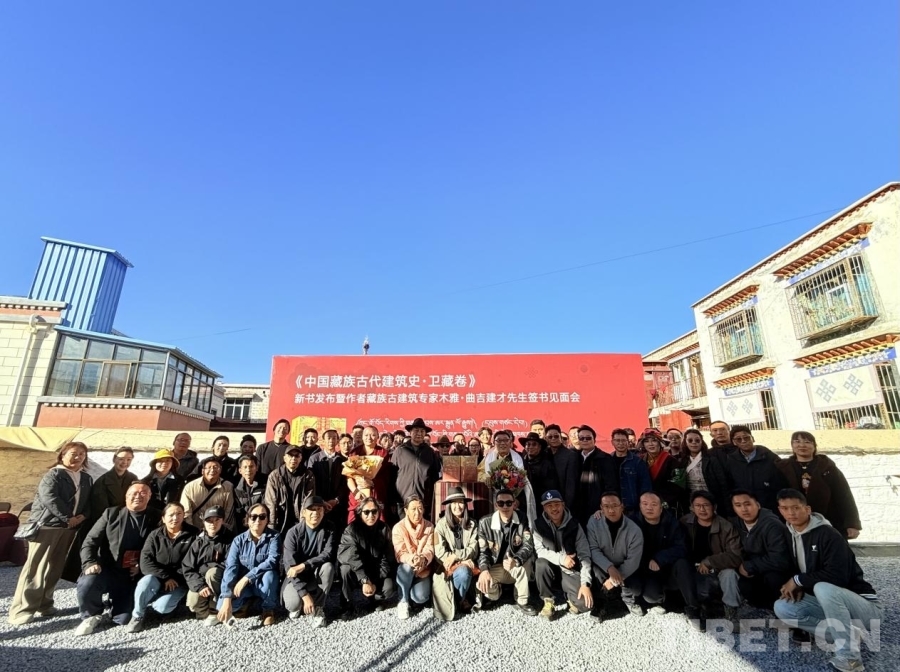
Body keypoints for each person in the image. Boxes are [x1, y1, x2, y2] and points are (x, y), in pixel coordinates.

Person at [773, 489, 883, 672]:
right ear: (779, 510)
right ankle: (851, 635)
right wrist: (798, 583)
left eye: (796, 507)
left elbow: (837, 577)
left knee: (823, 588)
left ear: (807, 509)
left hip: (865, 609)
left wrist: (798, 580)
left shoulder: (828, 534)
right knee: (783, 607)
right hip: (832, 606)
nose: (791, 513)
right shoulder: (788, 534)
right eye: (785, 508)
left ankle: (850, 659)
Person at [9, 441, 93, 625]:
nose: (78, 457)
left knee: (54, 567)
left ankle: (45, 604)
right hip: (48, 526)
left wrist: (82, 516)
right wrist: (68, 517)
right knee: (35, 568)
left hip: (68, 528)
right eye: (73, 453)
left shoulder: (86, 478)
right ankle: (22, 609)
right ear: (63, 455)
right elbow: (50, 498)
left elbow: (88, 501)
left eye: (82, 454)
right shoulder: (53, 475)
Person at [75, 483, 161, 635]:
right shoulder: (111, 514)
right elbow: (90, 541)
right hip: (109, 568)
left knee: (123, 619)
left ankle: (114, 605)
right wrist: (89, 563)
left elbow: (161, 548)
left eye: (143, 493)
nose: (138, 496)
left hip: (133, 574)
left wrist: (142, 566)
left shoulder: (157, 517)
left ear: (149, 496)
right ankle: (91, 615)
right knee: (88, 582)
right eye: (134, 493)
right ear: (126, 496)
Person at [625, 492, 699, 625]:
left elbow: (682, 548)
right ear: (640, 506)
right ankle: (657, 599)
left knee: (683, 564)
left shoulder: (672, 523)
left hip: (667, 569)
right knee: (651, 596)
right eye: (645, 504)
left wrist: (660, 558)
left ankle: (693, 608)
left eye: (654, 504)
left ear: (661, 507)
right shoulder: (631, 523)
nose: (649, 508)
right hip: (643, 570)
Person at [776, 431, 861, 539]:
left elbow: (844, 496)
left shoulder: (827, 468)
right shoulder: (783, 468)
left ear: (814, 446)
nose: (802, 445)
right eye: (797, 441)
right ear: (792, 445)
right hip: (794, 524)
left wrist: (852, 524)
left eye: (807, 442)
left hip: (828, 520)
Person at [126, 502, 196, 633]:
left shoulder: (193, 534)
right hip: (158, 578)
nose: (175, 518)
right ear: (163, 518)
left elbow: (193, 562)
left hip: (180, 581)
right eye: (171, 515)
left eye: (179, 514)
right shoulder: (155, 535)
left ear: (184, 516)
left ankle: (173, 605)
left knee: (162, 608)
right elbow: (145, 561)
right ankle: (137, 615)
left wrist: (175, 579)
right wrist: (165, 577)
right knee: (145, 581)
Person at [680, 491, 742, 628]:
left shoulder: (726, 526)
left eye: (706, 505)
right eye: (697, 506)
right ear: (692, 508)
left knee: (730, 575)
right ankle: (699, 608)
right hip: (694, 569)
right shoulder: (685, 522)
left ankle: (732, 612)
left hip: (718, 569)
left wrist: (710, 562)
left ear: (714, 507)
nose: (702, 509)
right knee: (699, 591)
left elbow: (736, 555)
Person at [217, 503, 280, 627]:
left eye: (262, 516)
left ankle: (268, 609)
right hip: (243, 585)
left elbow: (272, 561)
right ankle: (247, 603)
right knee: (221, 607)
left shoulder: (274, 537)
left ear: (267, 519)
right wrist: (227, 597)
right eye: (254, 517)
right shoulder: (238, 540)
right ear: (248, 519)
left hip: (261, 581)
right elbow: (231, 568)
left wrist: (247, 578)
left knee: (270, 575)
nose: (258, 520)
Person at [533, 489, 593, 619]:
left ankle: (568, 596)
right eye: (549, 505)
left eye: (557, 504)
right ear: (544, 508)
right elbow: (539, 551)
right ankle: (548, 600)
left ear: (563, 505)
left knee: (585, 605)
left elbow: (585, 555)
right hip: (550, 566)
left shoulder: (575, 525)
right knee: (540, 563)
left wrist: (585, 584)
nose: (554, 508)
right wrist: (561, 558)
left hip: (569, 569)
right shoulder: (538, 525)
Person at [474, 489, 536, 614]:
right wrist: (484, 570)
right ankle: (495, 594)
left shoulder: (522, 518)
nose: (505, 507)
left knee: (527, 561)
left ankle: (522, 601)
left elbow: (528, 545)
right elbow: (483, 551)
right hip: (494, 566)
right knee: (485, 582)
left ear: (514, 504)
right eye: (501, 503)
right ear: (496, 505)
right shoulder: (484, 522)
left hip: (513, 565)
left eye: (508, 503)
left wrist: (517, 560)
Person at [586, 492, 644, 622]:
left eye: (614, 505)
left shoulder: (634, 529)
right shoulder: (593, 522)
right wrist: (609, 567)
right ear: (601, 508)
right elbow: (593, 549)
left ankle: (628, 599)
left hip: (624, 565)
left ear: (622, 506)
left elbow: (633, 561)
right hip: (604, 564)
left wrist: (613, 580)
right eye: (606, 506)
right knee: (595, 570)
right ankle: (601, 602)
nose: (611, 510)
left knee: (636, 586)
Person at [729, 489, 792, 609]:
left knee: (773, 579)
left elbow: (779, 558)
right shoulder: (735, 523)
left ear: (757, 505)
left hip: (774, 568)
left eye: (747, 504)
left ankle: (781, 608)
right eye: (738, 505)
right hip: (754, 568)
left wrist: (749, 566)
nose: (744, 509)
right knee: (745, 586)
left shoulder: (772, 525)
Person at [337, 497, 397, 619]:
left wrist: (373, 582)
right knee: (345, 569)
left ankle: (375, 600)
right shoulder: (351, 530)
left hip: (375, 572)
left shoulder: (384, 529)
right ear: (360, 513)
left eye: (374, 511)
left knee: (389, 587)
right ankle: (346, 605)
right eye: (366, 512)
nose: (371, 515)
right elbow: (350, 556)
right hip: (357, 571)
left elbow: (387, 559)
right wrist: (364, 579)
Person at [282, 495, 337, 628]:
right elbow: (290, 567)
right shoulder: (293, 533)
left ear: (323, 511)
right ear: (304, 512)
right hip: (296, 577)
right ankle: (304, 601)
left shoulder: (329, 528)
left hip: (316, 573)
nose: (315, 513)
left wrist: (304, 565)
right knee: (292, 605)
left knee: (329, 567)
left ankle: (318, 607)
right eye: (311, 509)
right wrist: (305, 595)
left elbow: (327, 554)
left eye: (319, 509)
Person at [182, 505, 234, 626]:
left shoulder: (230, 540)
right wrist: (200, 586)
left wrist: (209, 569)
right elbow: (187, 567)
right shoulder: (198, 541)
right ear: (204, 522)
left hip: (220, 580)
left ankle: (215, 609)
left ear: (223, 521)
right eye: (209, 521)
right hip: (201, 580)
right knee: (193, 603)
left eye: (217, 520)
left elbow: (230, 564)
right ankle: (206, 612)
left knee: (212, 573)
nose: (213, 524)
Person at [432, 487, 479, 621]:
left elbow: (473, 549)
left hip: (467, 566)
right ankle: (461, 599)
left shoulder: (472, 524)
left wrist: (456, 555)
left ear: (465, 505)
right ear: (449, 505)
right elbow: (439, 553)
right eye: (454, 502)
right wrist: (460, 560)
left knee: (464, 572)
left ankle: (459, 598)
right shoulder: (440, 525)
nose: (458, 506)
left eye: (461, 502)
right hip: (447, 567)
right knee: (463, 571)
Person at [723, 425, 786, 513]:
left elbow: (781, 481)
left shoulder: (769, 456)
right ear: (734, 442)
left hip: (770, 506)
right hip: (745, 508)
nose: (743, 441)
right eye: (739, 439)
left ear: (752, 438)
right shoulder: (731, 461)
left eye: (746, 437)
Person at [392, 495, 435, 620]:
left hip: (423, 568)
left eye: (420, 508)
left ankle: (410, 593)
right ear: (406, 510)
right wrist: (412, 559)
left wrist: (423, 558)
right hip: (408, 565)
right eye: (413, 509)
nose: (417, 513)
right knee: (405, 568)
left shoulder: (429, 526)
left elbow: (430, 549)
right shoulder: (398, 528)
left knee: (420, 597)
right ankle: (403, 600)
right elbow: (400, 553)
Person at [390, 418, 440, 520]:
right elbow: (392, 476)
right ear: (410, 432)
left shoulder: (430, 452)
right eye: (416, 430)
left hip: (422, 500)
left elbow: (435, 476)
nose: (419, 433)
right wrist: (392, 500)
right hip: (402, 500)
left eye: (422, 431)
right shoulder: (400, 451)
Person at [265, 445, 316, 536]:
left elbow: (308, 500)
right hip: (280, 519)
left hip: (299, 519)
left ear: (300, 458)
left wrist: (303, 523)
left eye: (297, 456)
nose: (293, 458)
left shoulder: (307, 475)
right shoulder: (275, 476)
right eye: (290, 455)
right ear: (284, 458)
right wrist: (272, 525)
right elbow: (271, 502)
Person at [574, 425, 619, 528]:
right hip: (578, 509)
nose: (585, 440)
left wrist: (603, 507)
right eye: (581, 438)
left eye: (588, 438)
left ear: (594, 440)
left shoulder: (605, 459)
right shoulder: (574, 458)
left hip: (597, 510)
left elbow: (611, 486)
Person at [638, 428, 687, 518]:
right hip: (645, 503)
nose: (650, 444)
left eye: (654, 440)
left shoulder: (672, 461)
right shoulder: (639, 461)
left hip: (666, 504)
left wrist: (660, 501)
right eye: (647, 441)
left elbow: (678, 485)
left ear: (660, 442)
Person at [308, 428, 350, 532]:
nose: (331, 440)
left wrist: (336, 500)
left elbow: (345, 483)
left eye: (334, 438)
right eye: (329, 438)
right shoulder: (314, 459)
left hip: (338, 505)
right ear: (323, 440)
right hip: (318, 504)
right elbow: (311, 483)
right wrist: (321, 501)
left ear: (337, 441)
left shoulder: (343, 460)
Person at [682, 428, 731, 515]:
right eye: (690, 440)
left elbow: (723, 483)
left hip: (711, 499)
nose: (694, 443)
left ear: (702, 442)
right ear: (685, 443)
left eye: (697, 440)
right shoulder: (682, 461)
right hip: (692, 500)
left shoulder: (712, 460)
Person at [348, 426, 390, 523]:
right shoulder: (354, 453)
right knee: (354, 523)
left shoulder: (383, 453)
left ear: (378, 437)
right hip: (358, 493)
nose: (369, 438)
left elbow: (386, 476)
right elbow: (349, 476)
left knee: (377, 522)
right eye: (366, 435)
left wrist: (372, 482)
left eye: (373, 435)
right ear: (362, 437)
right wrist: (355, 491)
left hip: (376, 493)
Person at [180, 457, 236, 530]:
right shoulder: (190, 487)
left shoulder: (228, 486)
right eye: (209, 467)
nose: (212, 470)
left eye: (215, 467)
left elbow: (229, 511)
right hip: (195, 529)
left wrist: (221, 529)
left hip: (218, 529)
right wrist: (191, 530)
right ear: (203, 471)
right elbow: (186, 512)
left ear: (220, 470)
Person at [89, 446, 138, 522]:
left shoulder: (133, 479)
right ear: (114, 459)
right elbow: (100, 508)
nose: (125, 462)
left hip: (129, 518)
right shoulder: (102, 481)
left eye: (129, 459)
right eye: (121, 459)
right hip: (110, 520)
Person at [610, 428, 652, 514]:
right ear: (612, 442)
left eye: (623, 440)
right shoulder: (607, 461)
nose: (620, 443)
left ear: (628, 442)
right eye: (617, 440)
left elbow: (645, 486)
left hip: (634, 509)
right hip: (613, 507)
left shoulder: (638, 462)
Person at [545, 423, 579, 511]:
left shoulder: (571, 455)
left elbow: (571, 485)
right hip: (546, 500)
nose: (553, 439)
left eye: (556, 436)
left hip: (563, 502)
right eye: (550, 437)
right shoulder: (544, 454)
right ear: (546, 439)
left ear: (560, 437)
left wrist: (566, 506)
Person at [520, 432, 559, 505]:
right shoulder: (520, 462)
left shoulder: (547, 464)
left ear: (540, 447)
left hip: (540, 502)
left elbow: (550, 487)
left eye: (534, 444)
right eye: (528, 444)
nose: (530, 447)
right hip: (523, 502)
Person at [233, 454, 267, 531]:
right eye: (245, 467)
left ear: (256, 468)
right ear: (240, 470)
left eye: (251, 466)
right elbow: (238, 511)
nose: (248, 470)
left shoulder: (264, 485)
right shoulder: (236, 488)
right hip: (242, 527)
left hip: (260, 524)